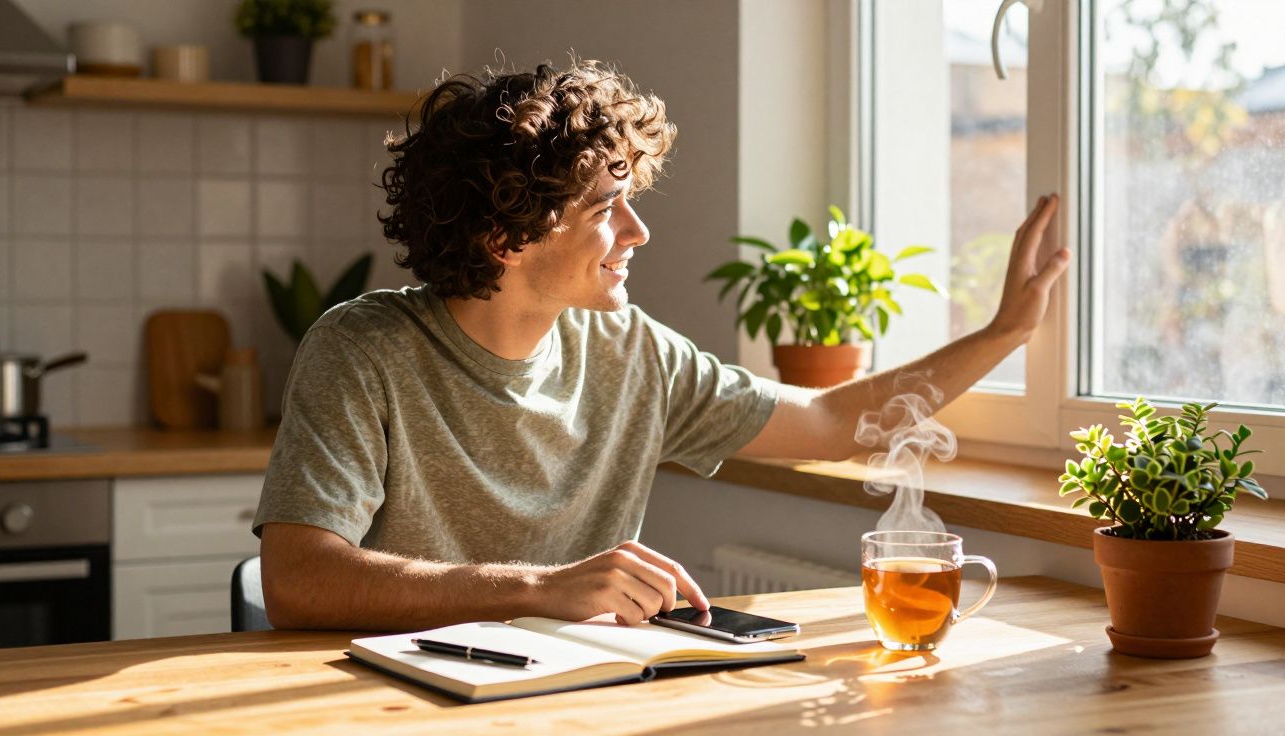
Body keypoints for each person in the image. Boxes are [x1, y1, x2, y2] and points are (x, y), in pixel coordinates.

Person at [253, 59, 1069, 631]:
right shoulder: (362, 351)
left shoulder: (627, 348)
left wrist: (1005, 334)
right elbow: (298, 580)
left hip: (580, 700)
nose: (638, 230)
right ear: (507, 234)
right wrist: (540, 588)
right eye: (608, 205)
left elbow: (827, 420)